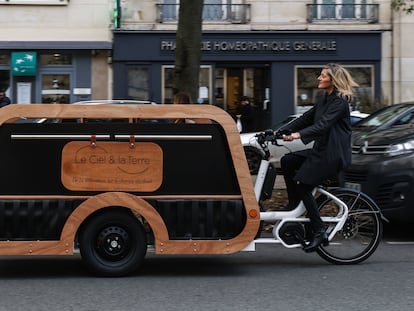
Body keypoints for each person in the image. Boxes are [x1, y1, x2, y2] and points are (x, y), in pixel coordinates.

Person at [279, 63, 358, 253]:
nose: (319, 78)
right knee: (287, 161)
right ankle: (294, 205)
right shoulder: (325, 100)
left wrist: (297, 135)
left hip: (333, 154)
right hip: (322, 150)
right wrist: (278, 132)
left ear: (333, 80)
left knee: (303, 185)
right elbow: (305, 118)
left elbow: (322, 125)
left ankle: (319, 231)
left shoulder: (339, 102)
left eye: (323, 76)